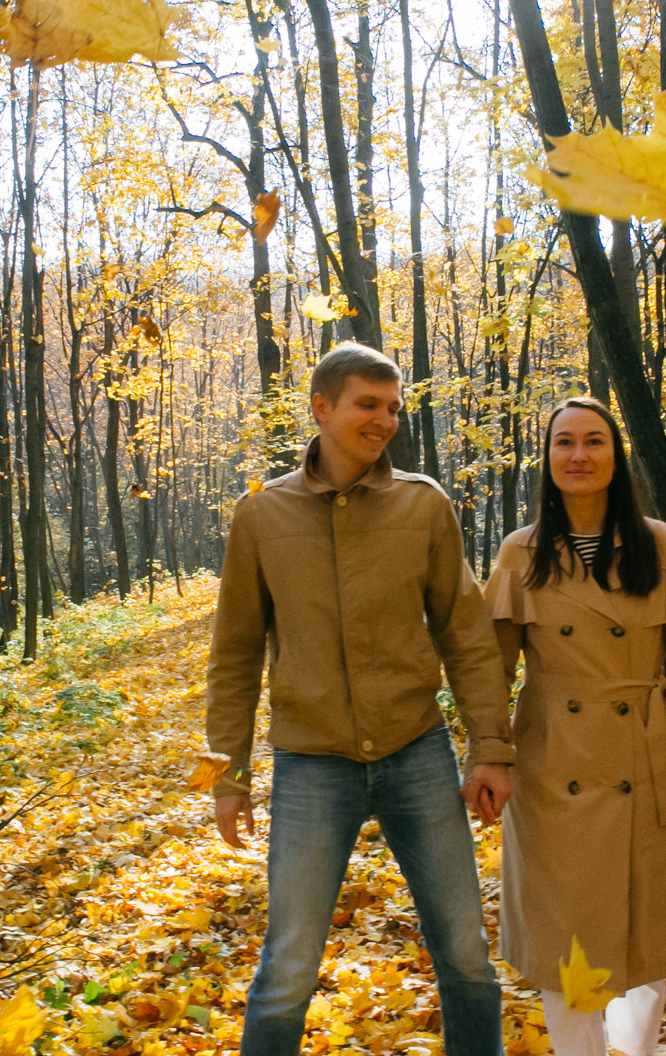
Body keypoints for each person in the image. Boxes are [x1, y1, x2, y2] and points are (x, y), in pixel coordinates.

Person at [204, 343, 514, 1056]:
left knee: (466, 952)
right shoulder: (262, 514)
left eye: (394, 407)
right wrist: (227, 776)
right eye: (368, 405)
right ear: (321, 407)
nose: (385, 420)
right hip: (312, 763)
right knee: (288, 966)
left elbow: (467, 636)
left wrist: (491, 748)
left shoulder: (423, 504)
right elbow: (234, 655)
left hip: (417, 750)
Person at [483, 396, 666, 1056]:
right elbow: (491, 675)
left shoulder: (661, 546)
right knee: (567, 948)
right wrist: (486, 758)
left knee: (648, 944)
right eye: (564, 442)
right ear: (547, 457)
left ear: (617, 456)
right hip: (553, 772)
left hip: (646, 765)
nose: (579, 455)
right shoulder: (520, 552)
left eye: (594, 441)